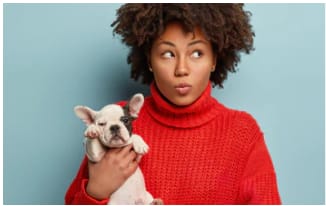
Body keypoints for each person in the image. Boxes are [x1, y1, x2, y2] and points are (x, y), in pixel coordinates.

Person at [65, 3, 281, 204]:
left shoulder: (242, 131)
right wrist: (96, 191)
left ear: (214, 59)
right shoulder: (117, 119)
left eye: (197, 53)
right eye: (168, 54)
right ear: (150, 60)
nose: (181, 69)